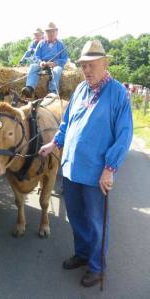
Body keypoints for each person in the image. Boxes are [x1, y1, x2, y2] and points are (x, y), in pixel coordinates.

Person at [38, 40, 133, 288]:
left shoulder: (117, 93)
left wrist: (109, 169)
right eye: (83, 66)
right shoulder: (80, 89)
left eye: (92, 65)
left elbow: (124, 135)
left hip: (95, 174)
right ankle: (82, 253)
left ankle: (96, 267)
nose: (87, 70)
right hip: (70, 168)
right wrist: (54, 144)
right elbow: (66, 123)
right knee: (77, 217)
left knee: (95, 221)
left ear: (105, 63)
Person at [21, 22, 68, 97]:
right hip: (43, 64)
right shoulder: (41, 43)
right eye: (49, 32)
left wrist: (55, 63)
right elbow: (36, 56)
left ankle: (52, 91)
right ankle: (30, 88)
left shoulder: (60, 44)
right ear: (46, 33)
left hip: (55, 65)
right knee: (33, 67)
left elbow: (64, 58)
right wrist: (40, 62)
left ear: (56, 32)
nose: (51, 33)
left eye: (53, 31)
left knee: (57, 70)